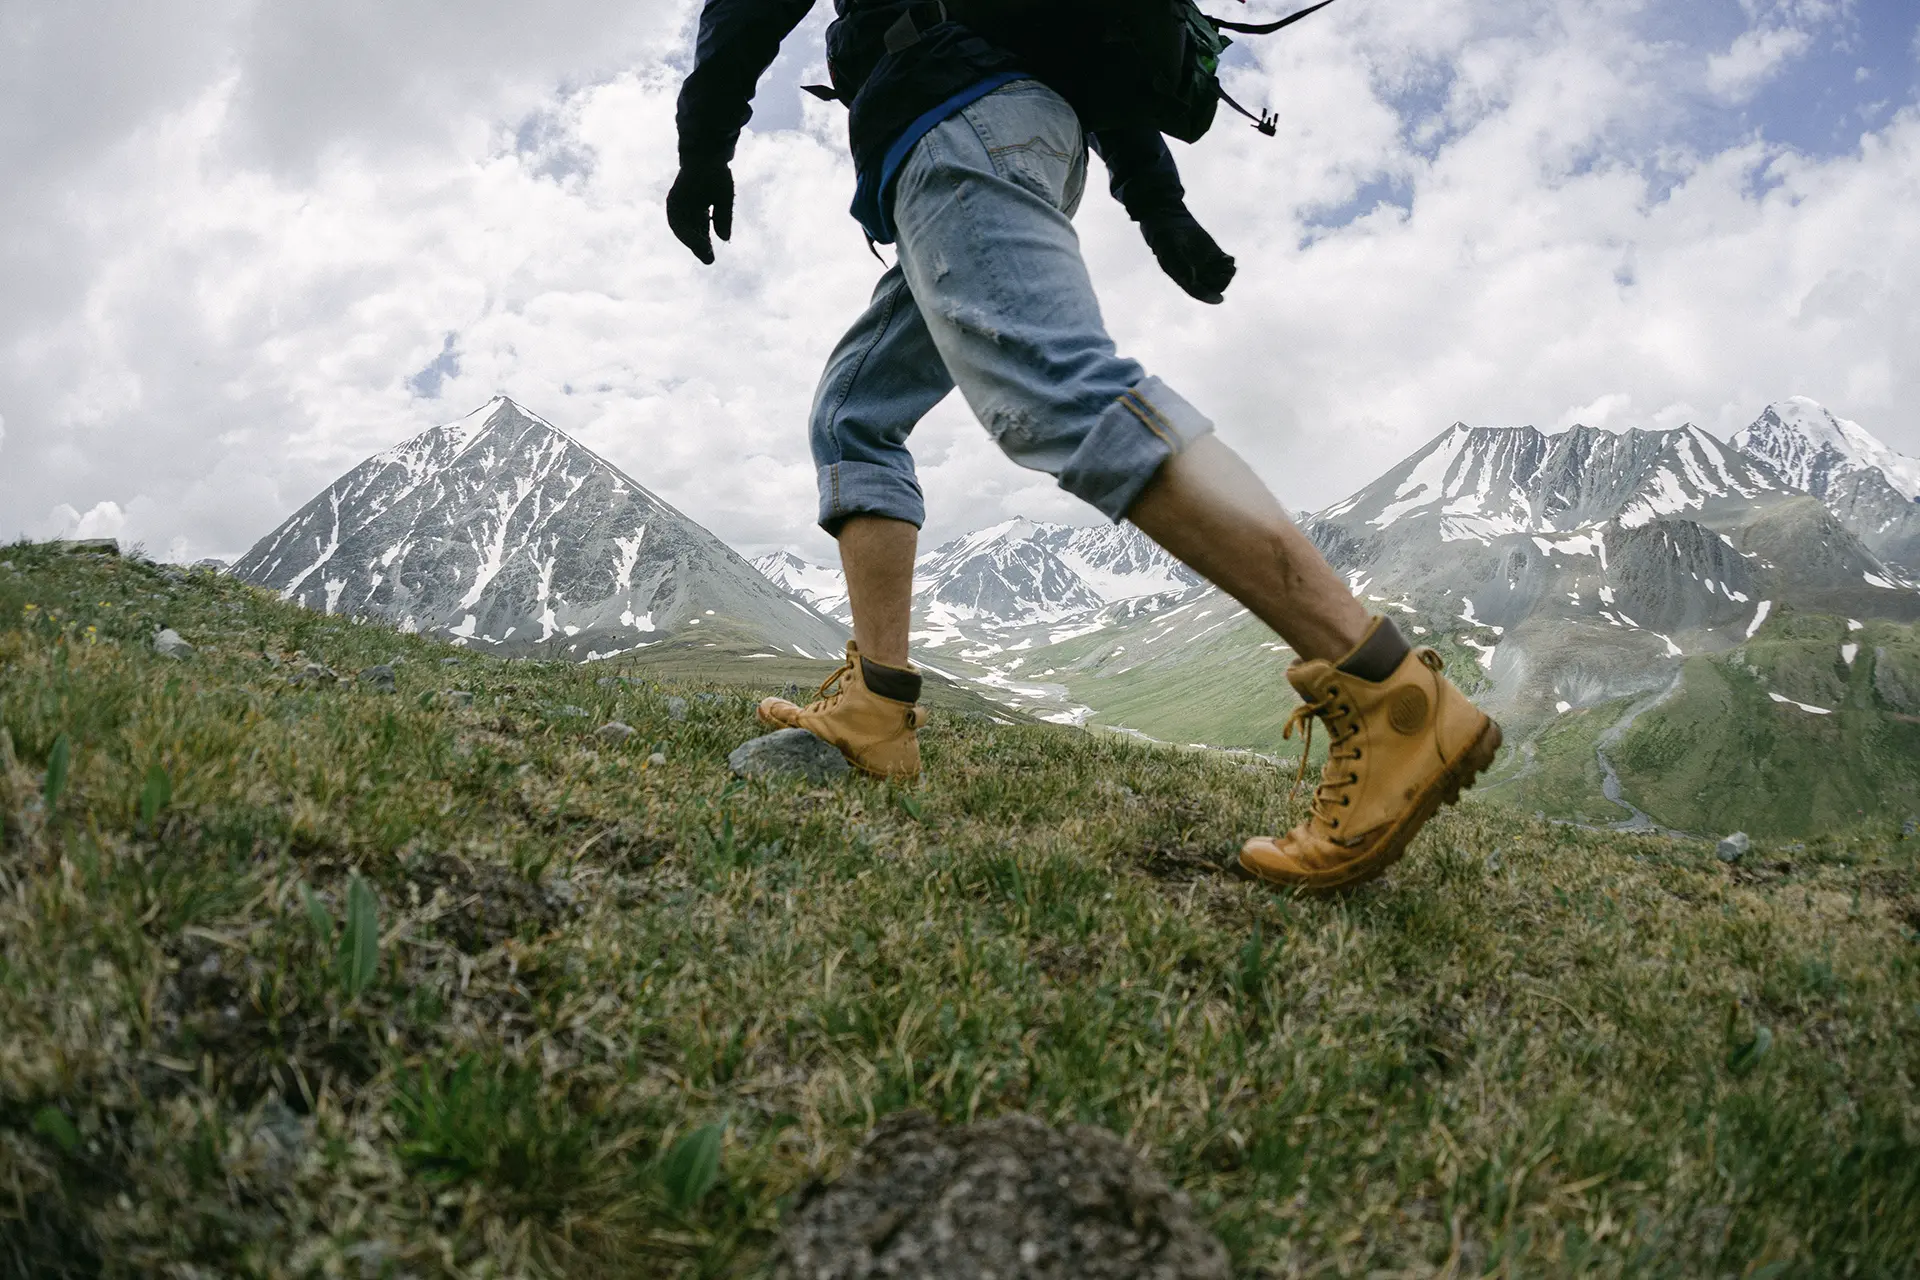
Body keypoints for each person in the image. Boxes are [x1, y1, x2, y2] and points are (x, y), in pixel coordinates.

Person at [668, 0, 1502, 891]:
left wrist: (702, 147)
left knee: (1060, 393)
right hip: (1002, 127)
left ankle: (1390, 694)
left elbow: (743, 11)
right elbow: (1082, 30)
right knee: (855, 414)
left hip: (956, 124)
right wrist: (1159, 206)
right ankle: (877, 703)